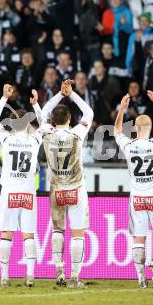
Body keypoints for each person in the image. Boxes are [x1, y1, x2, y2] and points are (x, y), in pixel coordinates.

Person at [114, 90, 153, 288]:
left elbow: (116, 132)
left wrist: (122, 109)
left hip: (137, 199)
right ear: (150, 128)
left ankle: (141, 279)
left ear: (136, 128)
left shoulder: (128, 146)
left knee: (138, 239)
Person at [40, 80, 94, 288]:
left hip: (56, 191)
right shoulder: (77, 134)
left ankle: (59, 271)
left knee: (58, 231)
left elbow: (43, 112)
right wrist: (71, 94)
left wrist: (58, 95)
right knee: (78, 232)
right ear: (70, 119)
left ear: (53, 120)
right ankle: (75, 277)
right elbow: (88, 112)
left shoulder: (46, 132)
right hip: (76, 189)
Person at [0, 84, 41, 287]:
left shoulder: (7, 139)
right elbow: (45, 124)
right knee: (28, 234)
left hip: (9, 191)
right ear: (28, 123)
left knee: (6, 233)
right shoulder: (35, 140)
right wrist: (36, 106)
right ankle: (29, 275)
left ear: (12, 123)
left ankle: (4, 276)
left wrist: (4, 98)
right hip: (28, 192)